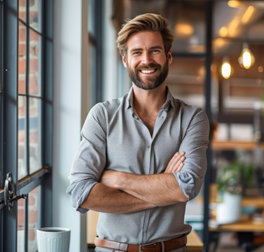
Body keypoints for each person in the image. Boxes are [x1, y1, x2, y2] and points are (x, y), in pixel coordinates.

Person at [67, 13, 209, 252]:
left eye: (155, 51)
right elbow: (81, 193)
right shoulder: (102, 116)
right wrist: (164, 185)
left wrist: (116, 178)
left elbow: (186, 187)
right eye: (137, 52)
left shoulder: (193, 119)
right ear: (125, 60)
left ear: (168, 56)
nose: (146, 60)